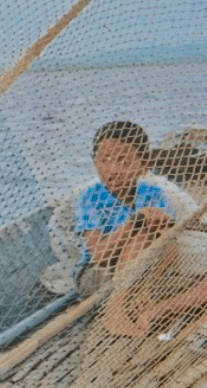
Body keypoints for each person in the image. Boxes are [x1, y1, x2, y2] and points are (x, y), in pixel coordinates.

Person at [79, 121, 207, 336]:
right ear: (94, 162)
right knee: (143, 231)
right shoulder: (92, 198)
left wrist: (146, 286)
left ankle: (157, 310)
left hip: (156, 264)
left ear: (144, 163)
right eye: (105, 160)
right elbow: (99, 256)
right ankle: (115, 310)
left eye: (123, 161)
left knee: (152, 230)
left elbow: (169, 246)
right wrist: (134, 222)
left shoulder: (153, 191)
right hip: (105, 273)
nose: (113, 169)